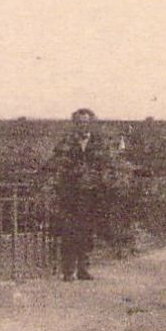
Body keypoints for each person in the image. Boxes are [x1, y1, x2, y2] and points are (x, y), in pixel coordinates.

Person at [45, 108, 113, 280]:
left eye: (86, 122)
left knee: (87, 231)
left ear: (91, 123)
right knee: (69, 232)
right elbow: (56, 163)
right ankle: (68, 271)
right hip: (70, 195)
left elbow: (105, 166)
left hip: (91, 194)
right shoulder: (66, 142)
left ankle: (83, 268)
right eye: (80, 122)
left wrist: (99, 180)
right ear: (75, 124)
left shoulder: (99, 143)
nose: (83, 126)